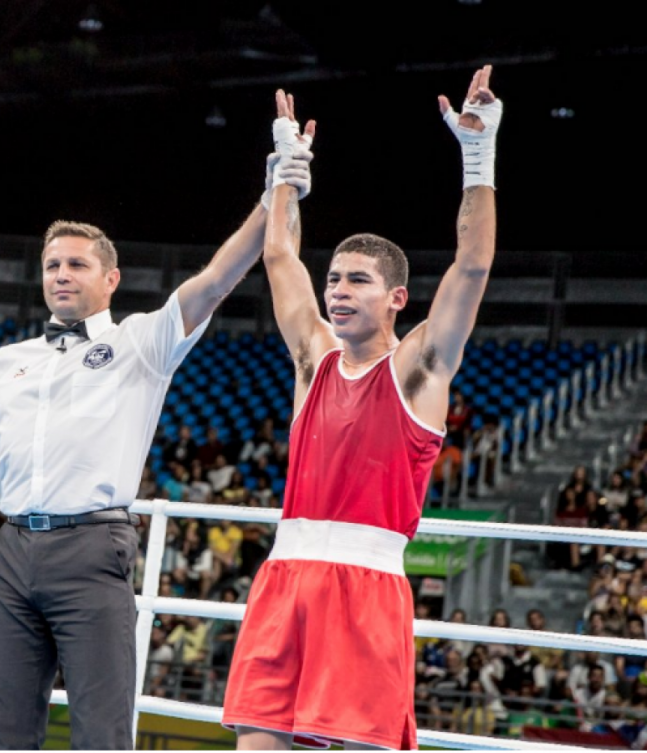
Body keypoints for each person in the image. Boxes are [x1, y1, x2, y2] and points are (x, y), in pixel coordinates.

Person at [0, 115, 315, 749]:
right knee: (7, 734)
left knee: (101, 735)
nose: (62, 274)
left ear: (110, 280)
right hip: (12, 552)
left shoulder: (141, 342)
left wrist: (272, 197)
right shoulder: (10, 360)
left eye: (76, 264)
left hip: (93, 550)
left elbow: (213, 281)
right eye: (52, 265)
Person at [223, 66, 503, 750]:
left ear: (397, 298)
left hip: (366, 587)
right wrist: (286, 168)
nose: (338, 291)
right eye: (335, 279)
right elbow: (280, 253)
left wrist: (478, 155)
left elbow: (471, 267)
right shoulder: (311, 359)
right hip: (285, 578)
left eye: (358, 280)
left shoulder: (416, 370)